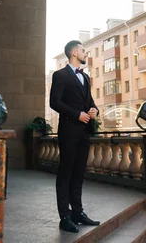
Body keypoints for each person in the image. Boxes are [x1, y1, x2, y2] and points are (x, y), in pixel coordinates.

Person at [49, 40, 100, 233]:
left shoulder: (85, 78)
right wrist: (76, 114)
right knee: (66, 174)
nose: (86, 53)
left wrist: (94, 110)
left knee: (79, 174)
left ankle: (77, 212)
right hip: (69, 131)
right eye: (83, 50)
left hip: (84, 133)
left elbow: (90, 102)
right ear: (73, 52)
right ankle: (65, 216)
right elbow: (55, 102)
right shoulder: (60, 75)